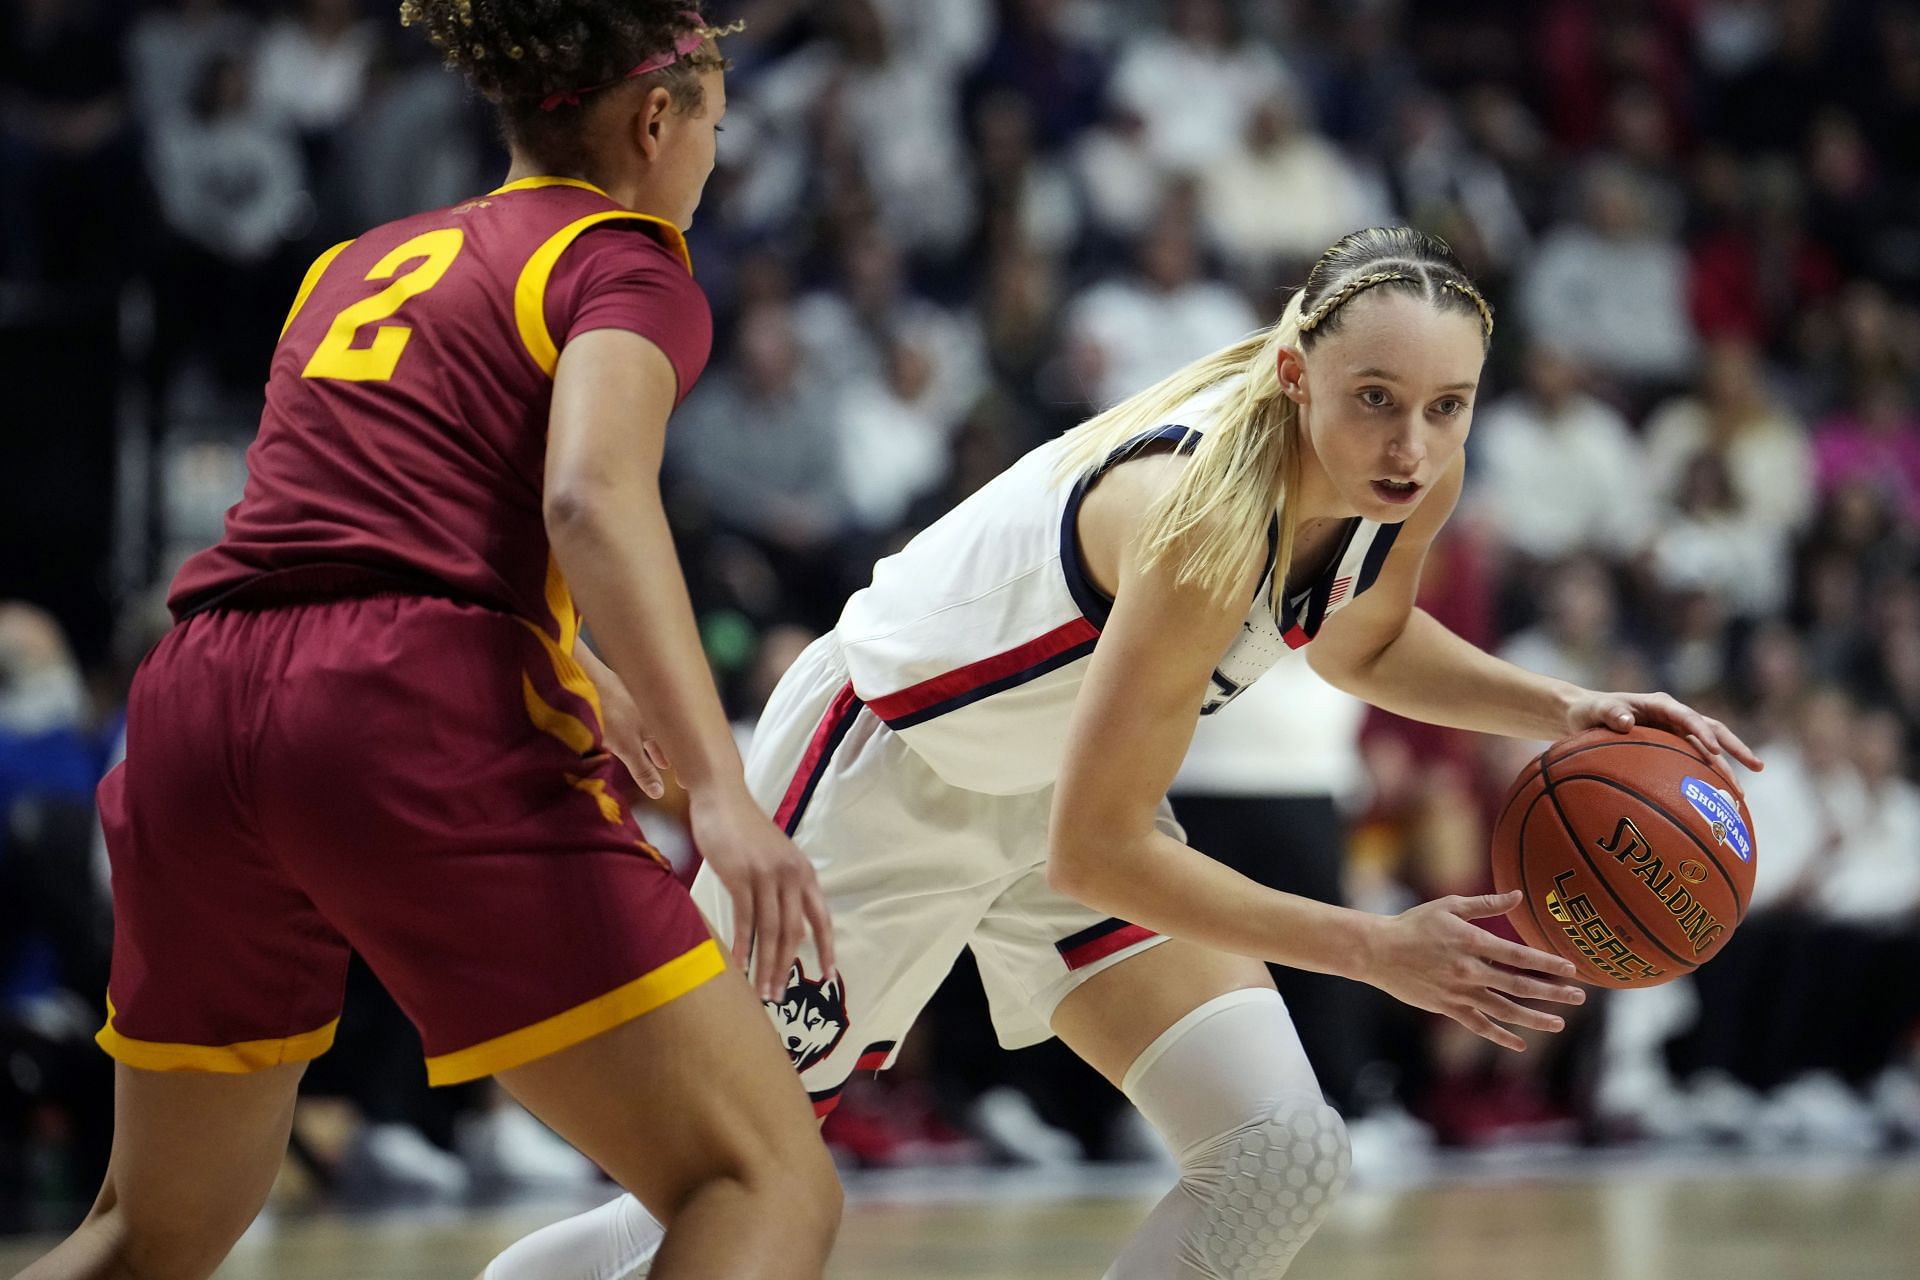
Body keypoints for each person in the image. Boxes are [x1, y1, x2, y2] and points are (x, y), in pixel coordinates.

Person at [486, 227, 1760, 1280]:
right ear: (1292, 372)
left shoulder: (1409, 477)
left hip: (1051, 795)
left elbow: (1362, 640)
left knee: (1276, 1148)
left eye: (1446, 406)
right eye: (1377, 400)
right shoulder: (1196, 521)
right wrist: (1376, 947)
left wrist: (1569, 707)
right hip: (880, 778)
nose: (1413, 446)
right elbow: (1101, 849)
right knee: (712, 1204)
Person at [19, 6, 840, 1280]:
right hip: (395, 707)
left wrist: (578, 662)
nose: (714, 161)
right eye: (717, 129)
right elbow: (589, 497)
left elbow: (356, 527)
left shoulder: (353, 259)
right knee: (764, 1178)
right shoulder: (628, 261)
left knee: (144, 1236)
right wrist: (721, 793)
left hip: (197, 696)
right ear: (657, 121)